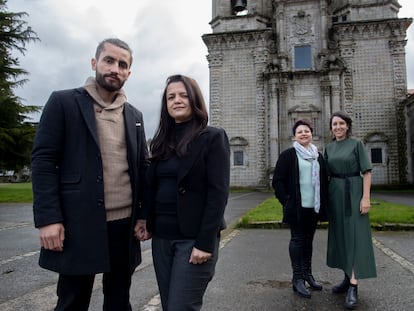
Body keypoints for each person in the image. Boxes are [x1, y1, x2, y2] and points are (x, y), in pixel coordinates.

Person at [31, 38, 149, 311]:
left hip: (124, 227)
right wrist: (48, 219)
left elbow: (143, 168)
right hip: (78, 224)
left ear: (128, 74)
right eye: (109, 60)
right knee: (72, 301)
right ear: (95, 63)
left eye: (123, 64)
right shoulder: (63, 102)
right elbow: (44, 161)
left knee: (119, 301)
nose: (115, 68)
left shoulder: (135, 116)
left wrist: (143, 214)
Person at [138, 74, 230, 310]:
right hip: (161, 240)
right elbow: (152, 186)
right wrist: (145, 219)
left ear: (195, 99)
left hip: (193, 241)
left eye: (183, 95)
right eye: (171, 97)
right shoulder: (160, 142)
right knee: (169, 305)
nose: (176, 100)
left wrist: (205, 243)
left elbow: (218, 195)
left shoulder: (212, 137)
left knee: (182, 307)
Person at [324, 111, 377, 310]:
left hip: (354, 193)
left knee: (355, 237)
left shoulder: (357, 145)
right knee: (341, 237)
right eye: (334, 124)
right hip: (335, 195)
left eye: (341, 124)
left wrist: (365, 197)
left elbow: (367, 172)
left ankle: (354, 286)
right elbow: (326, 175)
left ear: (347, 126)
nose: (337, 127)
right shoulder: (328, 148)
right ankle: (347, 278)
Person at [272, 120, 328, 299]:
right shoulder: (288, 155)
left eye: (307, 131)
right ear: (294, 136)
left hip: (314, 206)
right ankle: (297, 279)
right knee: (297, 240)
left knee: (308, 241)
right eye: (299, 132)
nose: (304, 134)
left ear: (312, 133)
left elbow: (324, 180)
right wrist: (286, 201)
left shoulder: (317, 156)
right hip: (296, 207)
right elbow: (278, 181)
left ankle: (307, 275)